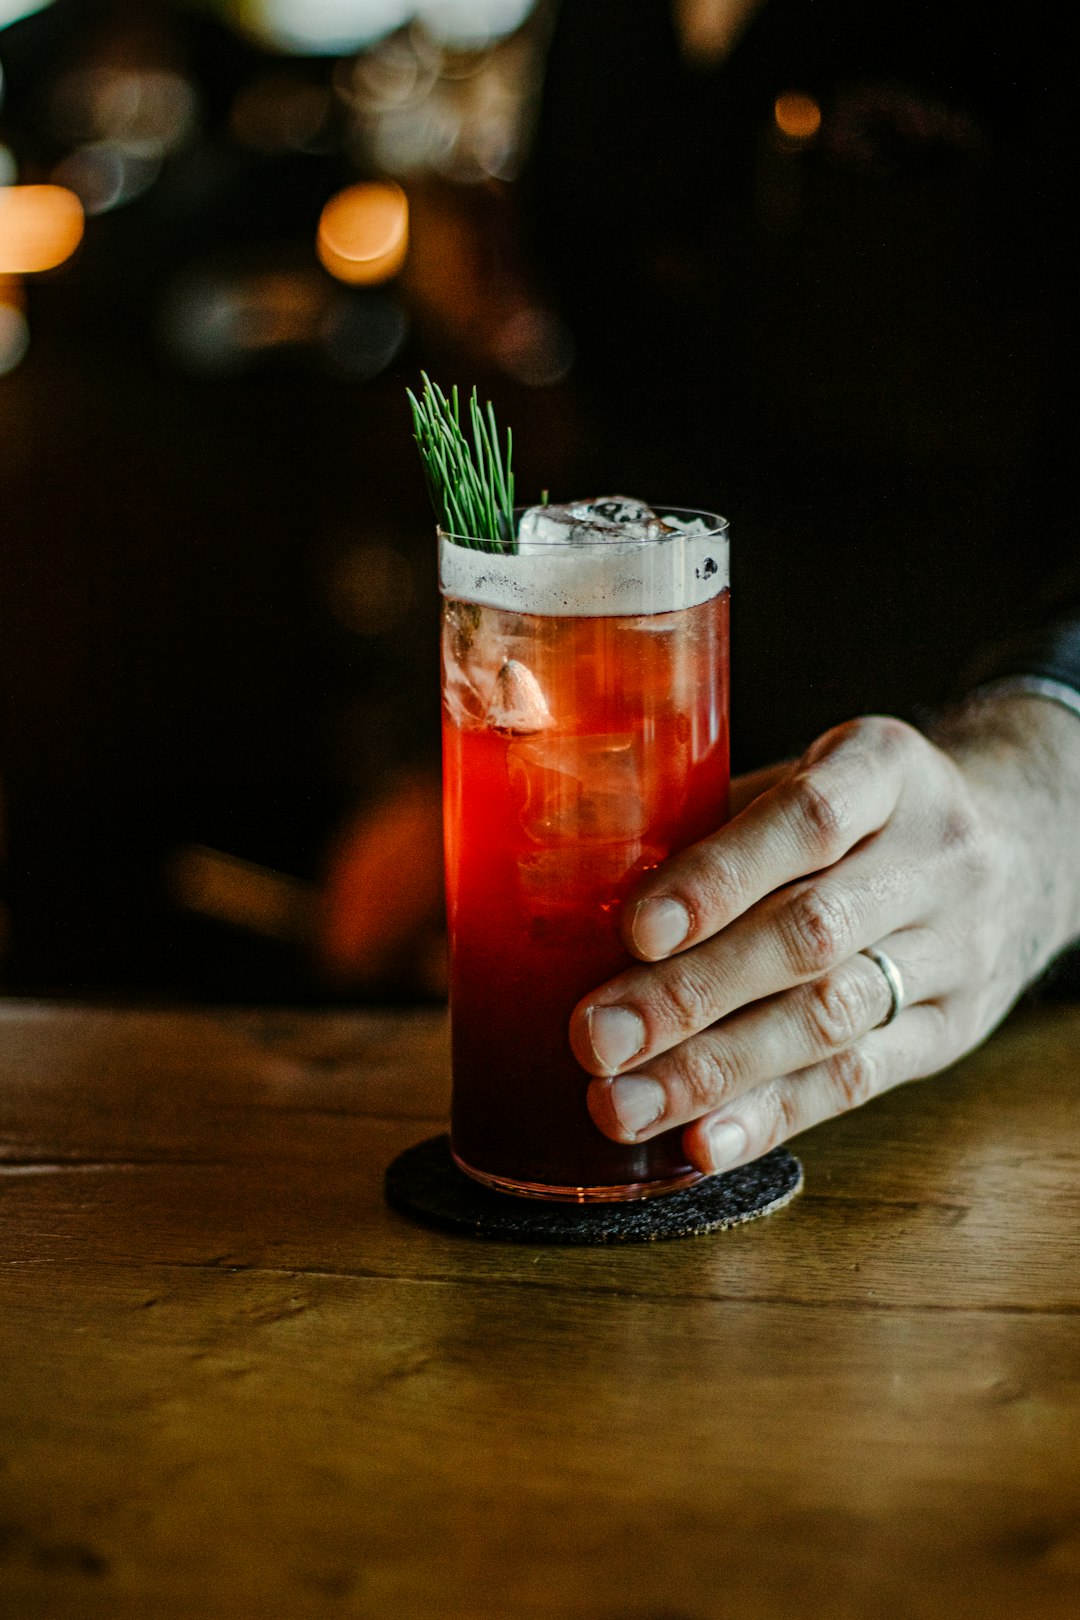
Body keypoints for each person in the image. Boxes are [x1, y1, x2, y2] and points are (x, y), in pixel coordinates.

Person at [328, 0, 1080, 1176]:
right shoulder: (603, 31)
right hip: (661, 1022)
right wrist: (447, 772)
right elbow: (627, 444)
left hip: (1012, 1026)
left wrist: (1043, 809)